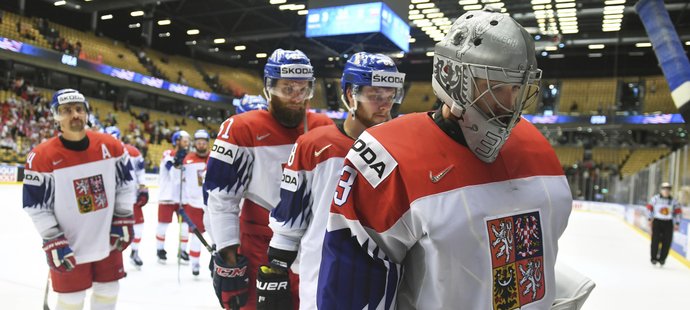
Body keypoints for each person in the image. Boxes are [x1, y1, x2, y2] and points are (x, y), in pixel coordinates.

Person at [317, 8, 574, 309]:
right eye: (497, 87)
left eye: (518, 88)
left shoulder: (536, 144)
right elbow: (353, 288)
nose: (511, 105)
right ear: (454, 78)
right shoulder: (385, 155)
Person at [259, 52, 405, 309]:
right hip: (320, 279)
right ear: (350, 94)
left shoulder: (402, 147)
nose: (385, 105)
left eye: (390, 95)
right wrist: (278, 268)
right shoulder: (312, 144)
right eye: (375, 95)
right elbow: (291, 215)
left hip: (382, 279)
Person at [204, 48, 333, 310]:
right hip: (258, 247)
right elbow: (221, 196)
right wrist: (228, 253)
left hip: (314, 245)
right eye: (288, 89)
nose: (297, 98)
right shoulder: (240, 128)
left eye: (304, 89)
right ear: (268, 88)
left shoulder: (324, 127)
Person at [22, 89, 136, 309]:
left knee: (109, 289)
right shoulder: (41, 156)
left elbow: (125, 184)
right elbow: (37, 206)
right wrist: (52, 237)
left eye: (78, 109)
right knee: (71, 299)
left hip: (107, 237)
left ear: (86, 113)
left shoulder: (110, 145)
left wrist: (123, 215)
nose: (74, 114)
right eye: (66, 111)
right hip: (69, 243)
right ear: (56, 116)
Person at [105, 126, 149, 268]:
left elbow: (140, 171)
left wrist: (143, 187)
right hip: (109, 199)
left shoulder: (133, 152)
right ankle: (114, 259)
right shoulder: (99, 153)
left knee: (139, 226)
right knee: (111, 230)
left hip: (131, 196)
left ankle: (134, 252)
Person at [156, 130, 191, 264]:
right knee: (163, 225)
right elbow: (173, 174)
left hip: (183, 197)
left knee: (185, 226)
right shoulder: (168, 154)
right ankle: (160, 250)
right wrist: (178, 162)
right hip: (168, 196)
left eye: (188, 140)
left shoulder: (189, 157)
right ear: (176, 141)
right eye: (184, 140)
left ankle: (182, 251)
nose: (187, 143)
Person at [181, 129, 211, 276]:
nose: (200, 145)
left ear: (207, 143)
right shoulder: (188, 159)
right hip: (194, 204)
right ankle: (195, 263)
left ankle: (217, 263)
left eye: (203, 142)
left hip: (213, 204)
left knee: (218, 236)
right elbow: (180, 178)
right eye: (198, 142)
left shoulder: (214, 157)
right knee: (196, 235)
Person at [647, 182, 681, 266]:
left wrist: (677, 223)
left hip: (668, 223)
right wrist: (649, 218)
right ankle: (654, 258)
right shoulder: (655, 199)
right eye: (664, 189)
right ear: (661, 190)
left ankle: (662, 259)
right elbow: (650, 209)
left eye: (668, 189)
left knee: (667, 241)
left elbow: (678, 212)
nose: (666, 191)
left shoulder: (674, 201)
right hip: (657, 221)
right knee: (655, 240)